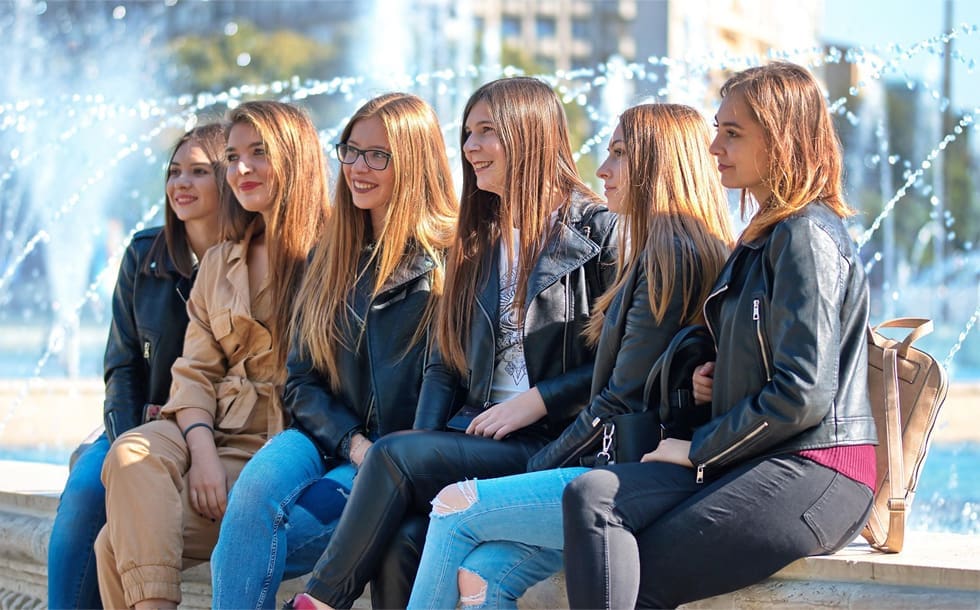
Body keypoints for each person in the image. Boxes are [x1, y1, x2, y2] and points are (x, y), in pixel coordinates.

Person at [286, 76, 619, 610]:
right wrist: (423, 446)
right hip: (481, 436)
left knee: (393, 456)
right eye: (467, 133)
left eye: (486, 132)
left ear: (529, 134)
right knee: (400, 536)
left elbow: (618, 366)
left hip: (562, 441)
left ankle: (317, 602)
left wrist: (538, 400)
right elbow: (445, 366)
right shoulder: (480, 237)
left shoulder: (600, 233)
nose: (469, 147)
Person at [560, 61, 878, 609]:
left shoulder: (805, 234)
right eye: (717, 130)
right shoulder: (763, 237)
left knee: (638, 569)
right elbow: (770, 359)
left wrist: (699, 447)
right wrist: (716, 379)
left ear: (780, 140)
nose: (715, 147)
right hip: (761, 456)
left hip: (819, 467)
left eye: (733, 133)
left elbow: (803, 394)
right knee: (591, 495)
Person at [406, 103, 735, 609]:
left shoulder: (668, 257)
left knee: (454, 507)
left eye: (619, 154)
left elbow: (618, 399)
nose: (602, 170)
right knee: (481, 575)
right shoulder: (670, 249)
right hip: (632, 466)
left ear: (659, 165)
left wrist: (533, 470)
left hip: (631, 475)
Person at [209, 92, 457, 610]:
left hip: (392, 457)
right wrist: (350, 441)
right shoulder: (331, 252)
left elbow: (457, 385)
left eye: (378, 155)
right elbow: (300, 379)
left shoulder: (452, 259)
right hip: (325, 436)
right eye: (351, 151)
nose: (358, 168)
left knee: (289, 532)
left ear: (414, 161)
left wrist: (377, 454)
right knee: (250, 498)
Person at [94, 100, 329, 610]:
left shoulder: (333, 255)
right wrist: (201, 456)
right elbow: (194, 372)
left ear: (295, 157)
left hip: (275, 441)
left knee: (112, 545)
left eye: (258, 153)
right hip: (203, 431)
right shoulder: (222, 261)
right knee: (129, 452)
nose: (241, 169)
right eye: (233, 157)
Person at [47, 123, 228, 610]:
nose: (180, 183)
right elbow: (122, 367)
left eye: (198, 172)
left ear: (227, 179)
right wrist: (125, 437)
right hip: (141, 424)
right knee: (86, 496)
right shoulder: (144, 255)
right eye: (174, 172)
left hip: (220, 430)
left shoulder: (252, 262)